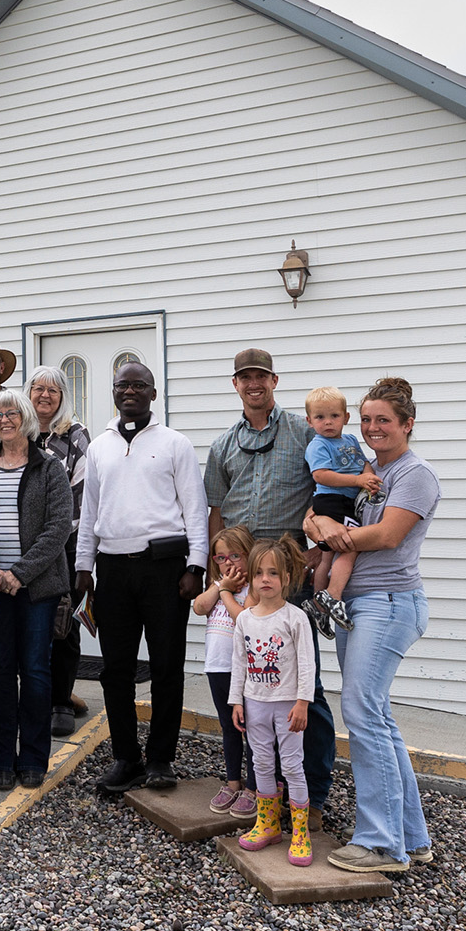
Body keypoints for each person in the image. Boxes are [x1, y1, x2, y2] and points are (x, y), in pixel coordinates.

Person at [199, 348, 338, 826]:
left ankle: (313, 794)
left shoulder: (304, 432)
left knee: (304, 684)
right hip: (241, 577)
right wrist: (217, 573)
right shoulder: (222, 446)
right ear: (235, 385)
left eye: (261, 376)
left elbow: (329, 487)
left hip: (290, 575)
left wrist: (320, 535)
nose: (253, 384)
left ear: (274, 381)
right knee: (255, 685)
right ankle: (267, 788)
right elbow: (216, 510)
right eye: (244, 378)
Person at [308, 377, 441, 876]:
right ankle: (411, 837)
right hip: (357, 605)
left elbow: (385, 536)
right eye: (365, 419)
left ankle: (380, 845)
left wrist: (334, 534)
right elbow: (314, 514)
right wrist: (324, 527)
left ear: (408, 423)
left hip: (389, 604)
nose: (371, 428)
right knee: (377, 718)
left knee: (362, 714)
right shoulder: (366, 473)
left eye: (383, 419)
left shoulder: (415, 474)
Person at [73, 359, 206, 796]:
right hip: (113, 569)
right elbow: (90, 510)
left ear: (153, 392)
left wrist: (196, 566)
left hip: (165, 570)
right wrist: (83, 565)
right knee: (116, 669)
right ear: (114, 393)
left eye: (138, 385)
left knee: (167, 665)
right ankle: (126, 757)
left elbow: (194, 507)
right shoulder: (100, 447)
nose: (129, 391)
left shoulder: (174, 444)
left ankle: (162, 758)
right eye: (122, 385)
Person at [0, 387, 73, 790]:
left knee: (37, 672)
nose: (3, 420)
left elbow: (59, 526)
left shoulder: (49, 468)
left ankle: (33, 759)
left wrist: (20, 572)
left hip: (37, 589)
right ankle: (2, 759)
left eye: (10, 413)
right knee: (1, 672)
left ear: (24, 417)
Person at [227, 536, 317, 868]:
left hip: (288, 706)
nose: (266, 579)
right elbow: (239, 663)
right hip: (255, 703)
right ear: (250, 578)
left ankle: (300, 831)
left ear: (287, 579)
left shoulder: (295, 619)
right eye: (260, 573)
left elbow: (307, 664)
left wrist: (303, 702)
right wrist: (236, 700)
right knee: (261, 763)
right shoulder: (245, 620)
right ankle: (267, 824)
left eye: (274, 573)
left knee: (292, 765)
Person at [27, 365, 91, 738]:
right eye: (38, 389)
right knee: (27, 625)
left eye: (53, 390)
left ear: (63, 396)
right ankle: (34, 697)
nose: (45, 396)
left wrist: (53, 537)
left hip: (65, 546)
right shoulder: (19, 431)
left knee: (63, 625)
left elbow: (80, 495)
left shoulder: (76, 436)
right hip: (19, 551)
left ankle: (61, 701)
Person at [191, 525, 258, 816]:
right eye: (220, 558)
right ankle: (233, 782)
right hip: (218, 667)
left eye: (235, 555)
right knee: (228, 727)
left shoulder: (254, 588)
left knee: (254, 730)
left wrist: (229, 592)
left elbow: (243, 618)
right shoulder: (218, 586)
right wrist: (219, 586)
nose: (228, 563)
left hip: (244, 671)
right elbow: (198, 607)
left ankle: (255, 788)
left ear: (249, 555)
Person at [302, 386, 380, 632]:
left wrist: (369, 478)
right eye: (320, 417)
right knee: (350, 546)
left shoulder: (349, 440)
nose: (327, 422)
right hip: (333, 501)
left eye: (334, 416)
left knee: (327, 555)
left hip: (343, 501)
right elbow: (321, 475)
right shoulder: (318, 445)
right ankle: (332, 597)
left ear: (346, 418)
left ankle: (318, 606)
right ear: (309, 421)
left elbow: (363, 462)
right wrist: (358, 481)